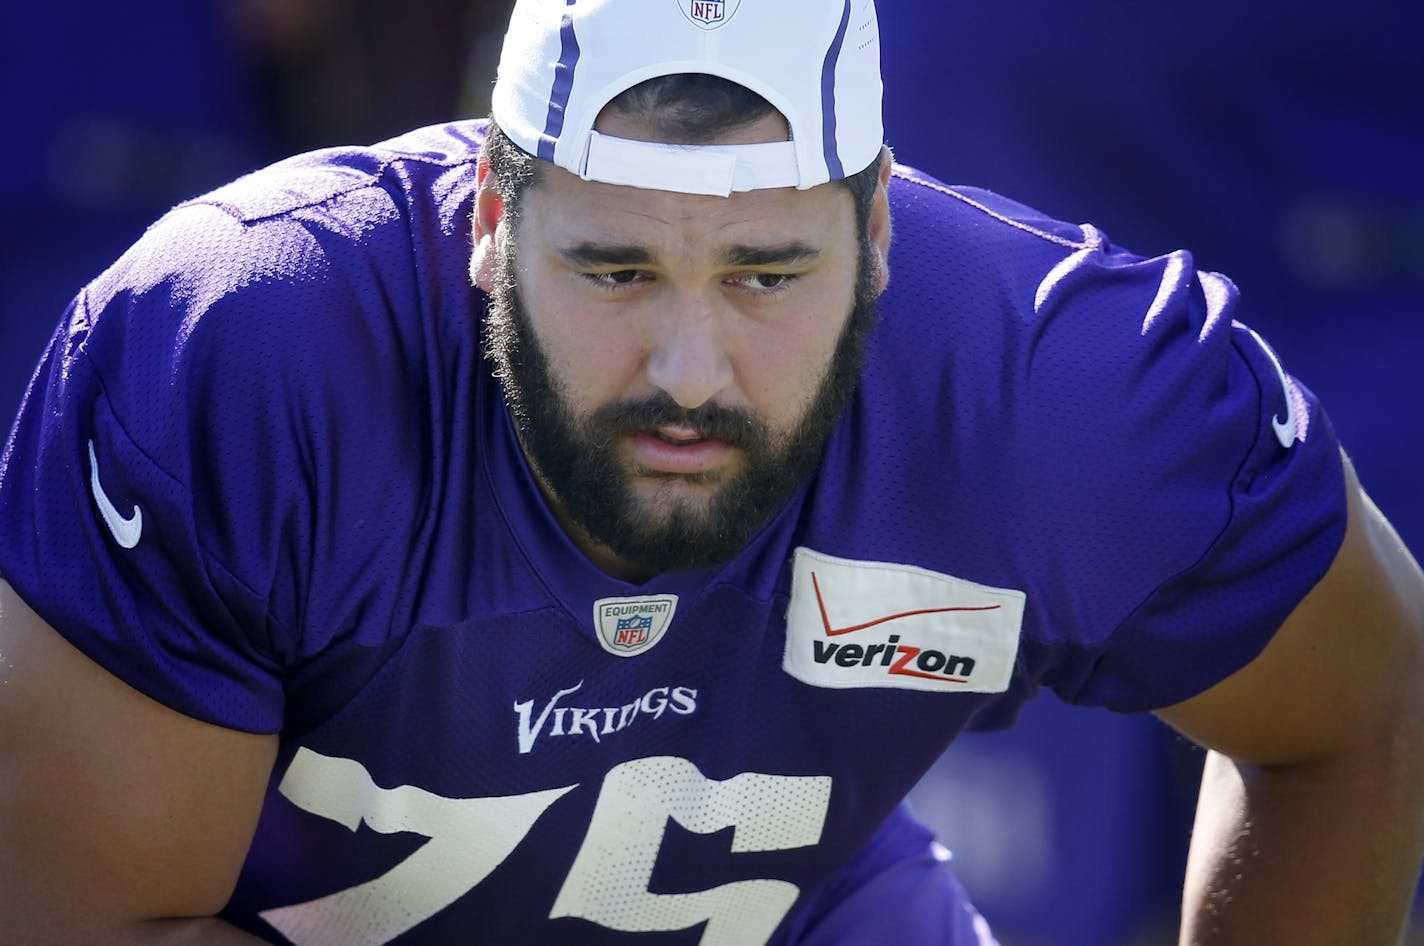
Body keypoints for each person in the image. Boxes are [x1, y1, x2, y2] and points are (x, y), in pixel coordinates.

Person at [1, 1, 1421, 944]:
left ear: (877, 236)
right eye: (615, 267)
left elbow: (1366, 704)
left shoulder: (1060, 385)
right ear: (492, 214)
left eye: (766, 272)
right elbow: (84, 916)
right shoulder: (252, 346)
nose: (689, 365)